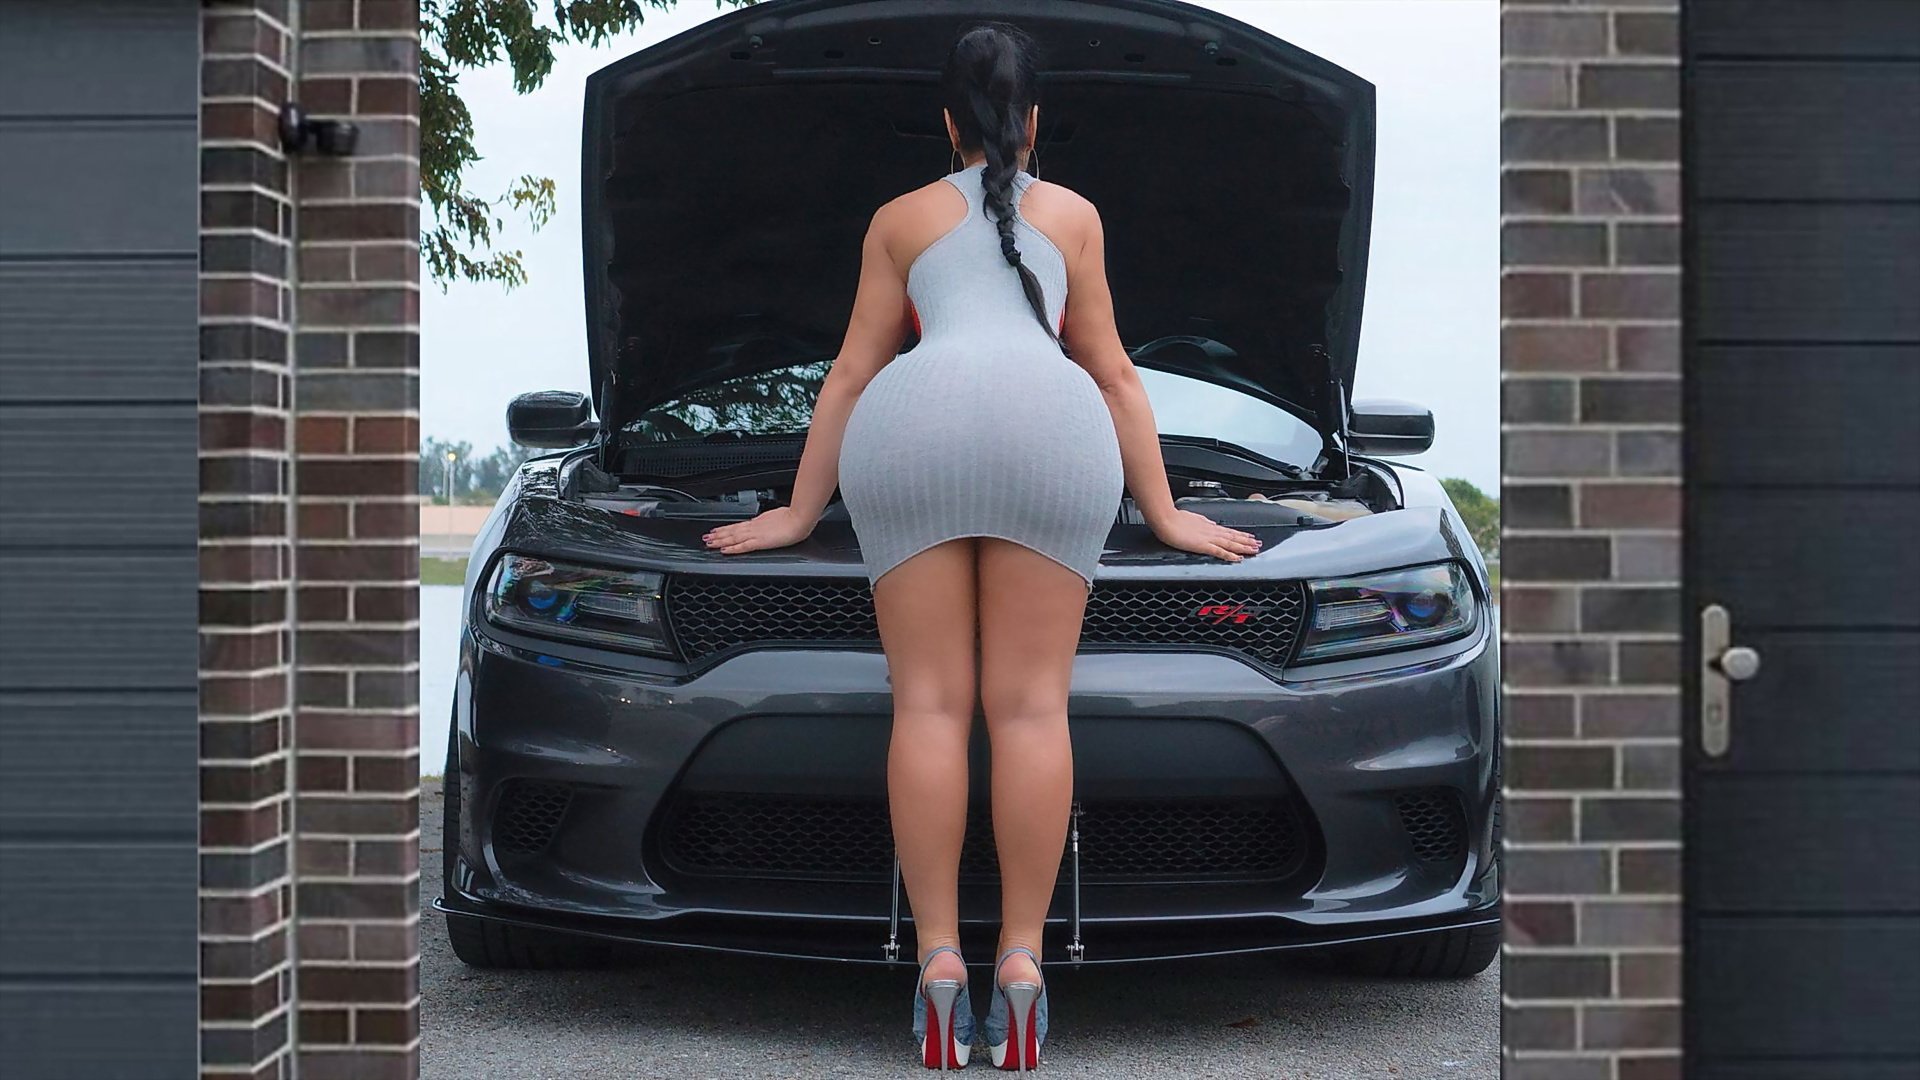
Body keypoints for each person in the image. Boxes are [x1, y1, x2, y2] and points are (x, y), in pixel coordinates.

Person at [700, 21, 1261, 1071]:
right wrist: (1168, 513)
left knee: (929, 706)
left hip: (911, 427)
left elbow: (853, 372)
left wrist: (798, 511)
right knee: (1030, 708)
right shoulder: (1075, 217)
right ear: (1034, 122)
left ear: (946, 122)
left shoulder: (899, 218)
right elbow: (1115, 374)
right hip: (1053, 428)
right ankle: (1024, 966)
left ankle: (939, 965)